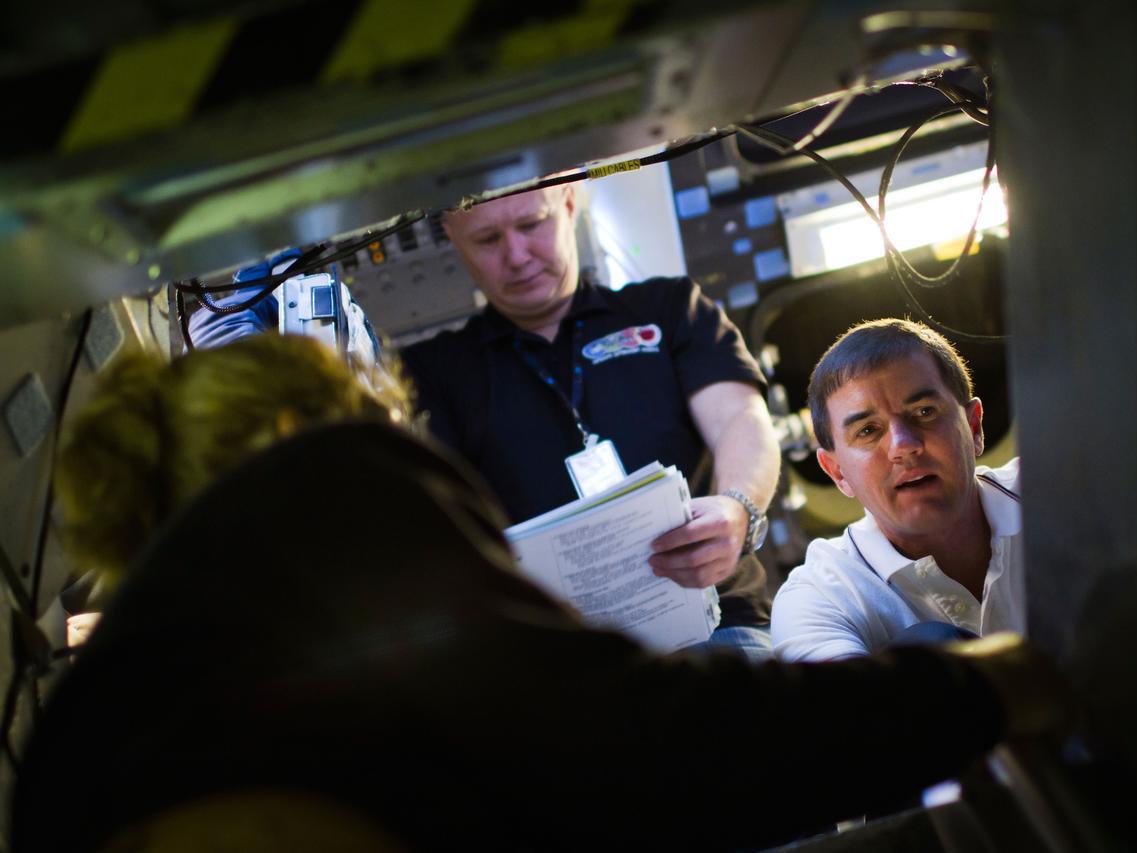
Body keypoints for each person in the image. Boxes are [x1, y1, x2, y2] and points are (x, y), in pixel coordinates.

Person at [16, 333, 1064, 852]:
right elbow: (656, 748)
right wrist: (989, 688)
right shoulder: (332, 482)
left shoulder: (76, 742)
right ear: (310, 435)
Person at [400, 185, 780, 658]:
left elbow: (739, 417)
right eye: (487, 239)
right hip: (562, 660)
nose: (516, 256)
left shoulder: (670, 309)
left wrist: (738, 508)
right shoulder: (432, 372)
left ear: (569, 203)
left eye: (531, 224)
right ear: (452, 237)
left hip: (719, 624)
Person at [771, 318, 1024, 662]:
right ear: (837, 472)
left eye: (924, 411)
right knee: (931, 648)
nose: (903, 446)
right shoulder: (820, 596)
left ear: (974, 426)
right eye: (868, 430)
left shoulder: (1062, 495)